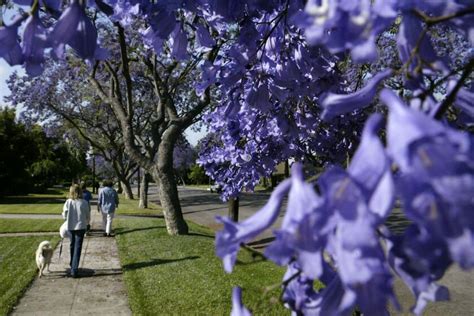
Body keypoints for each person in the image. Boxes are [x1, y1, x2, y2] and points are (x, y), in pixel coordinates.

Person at [62, 184, 91, 278]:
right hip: (81, 227)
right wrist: (87, 223)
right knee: (77, 248)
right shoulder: (84, 202)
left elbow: (64, 215)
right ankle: (74, 269)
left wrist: (67, 218)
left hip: (70, 226)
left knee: (72, 245)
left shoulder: (68, 202)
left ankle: (72, 264)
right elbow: (87, 215)